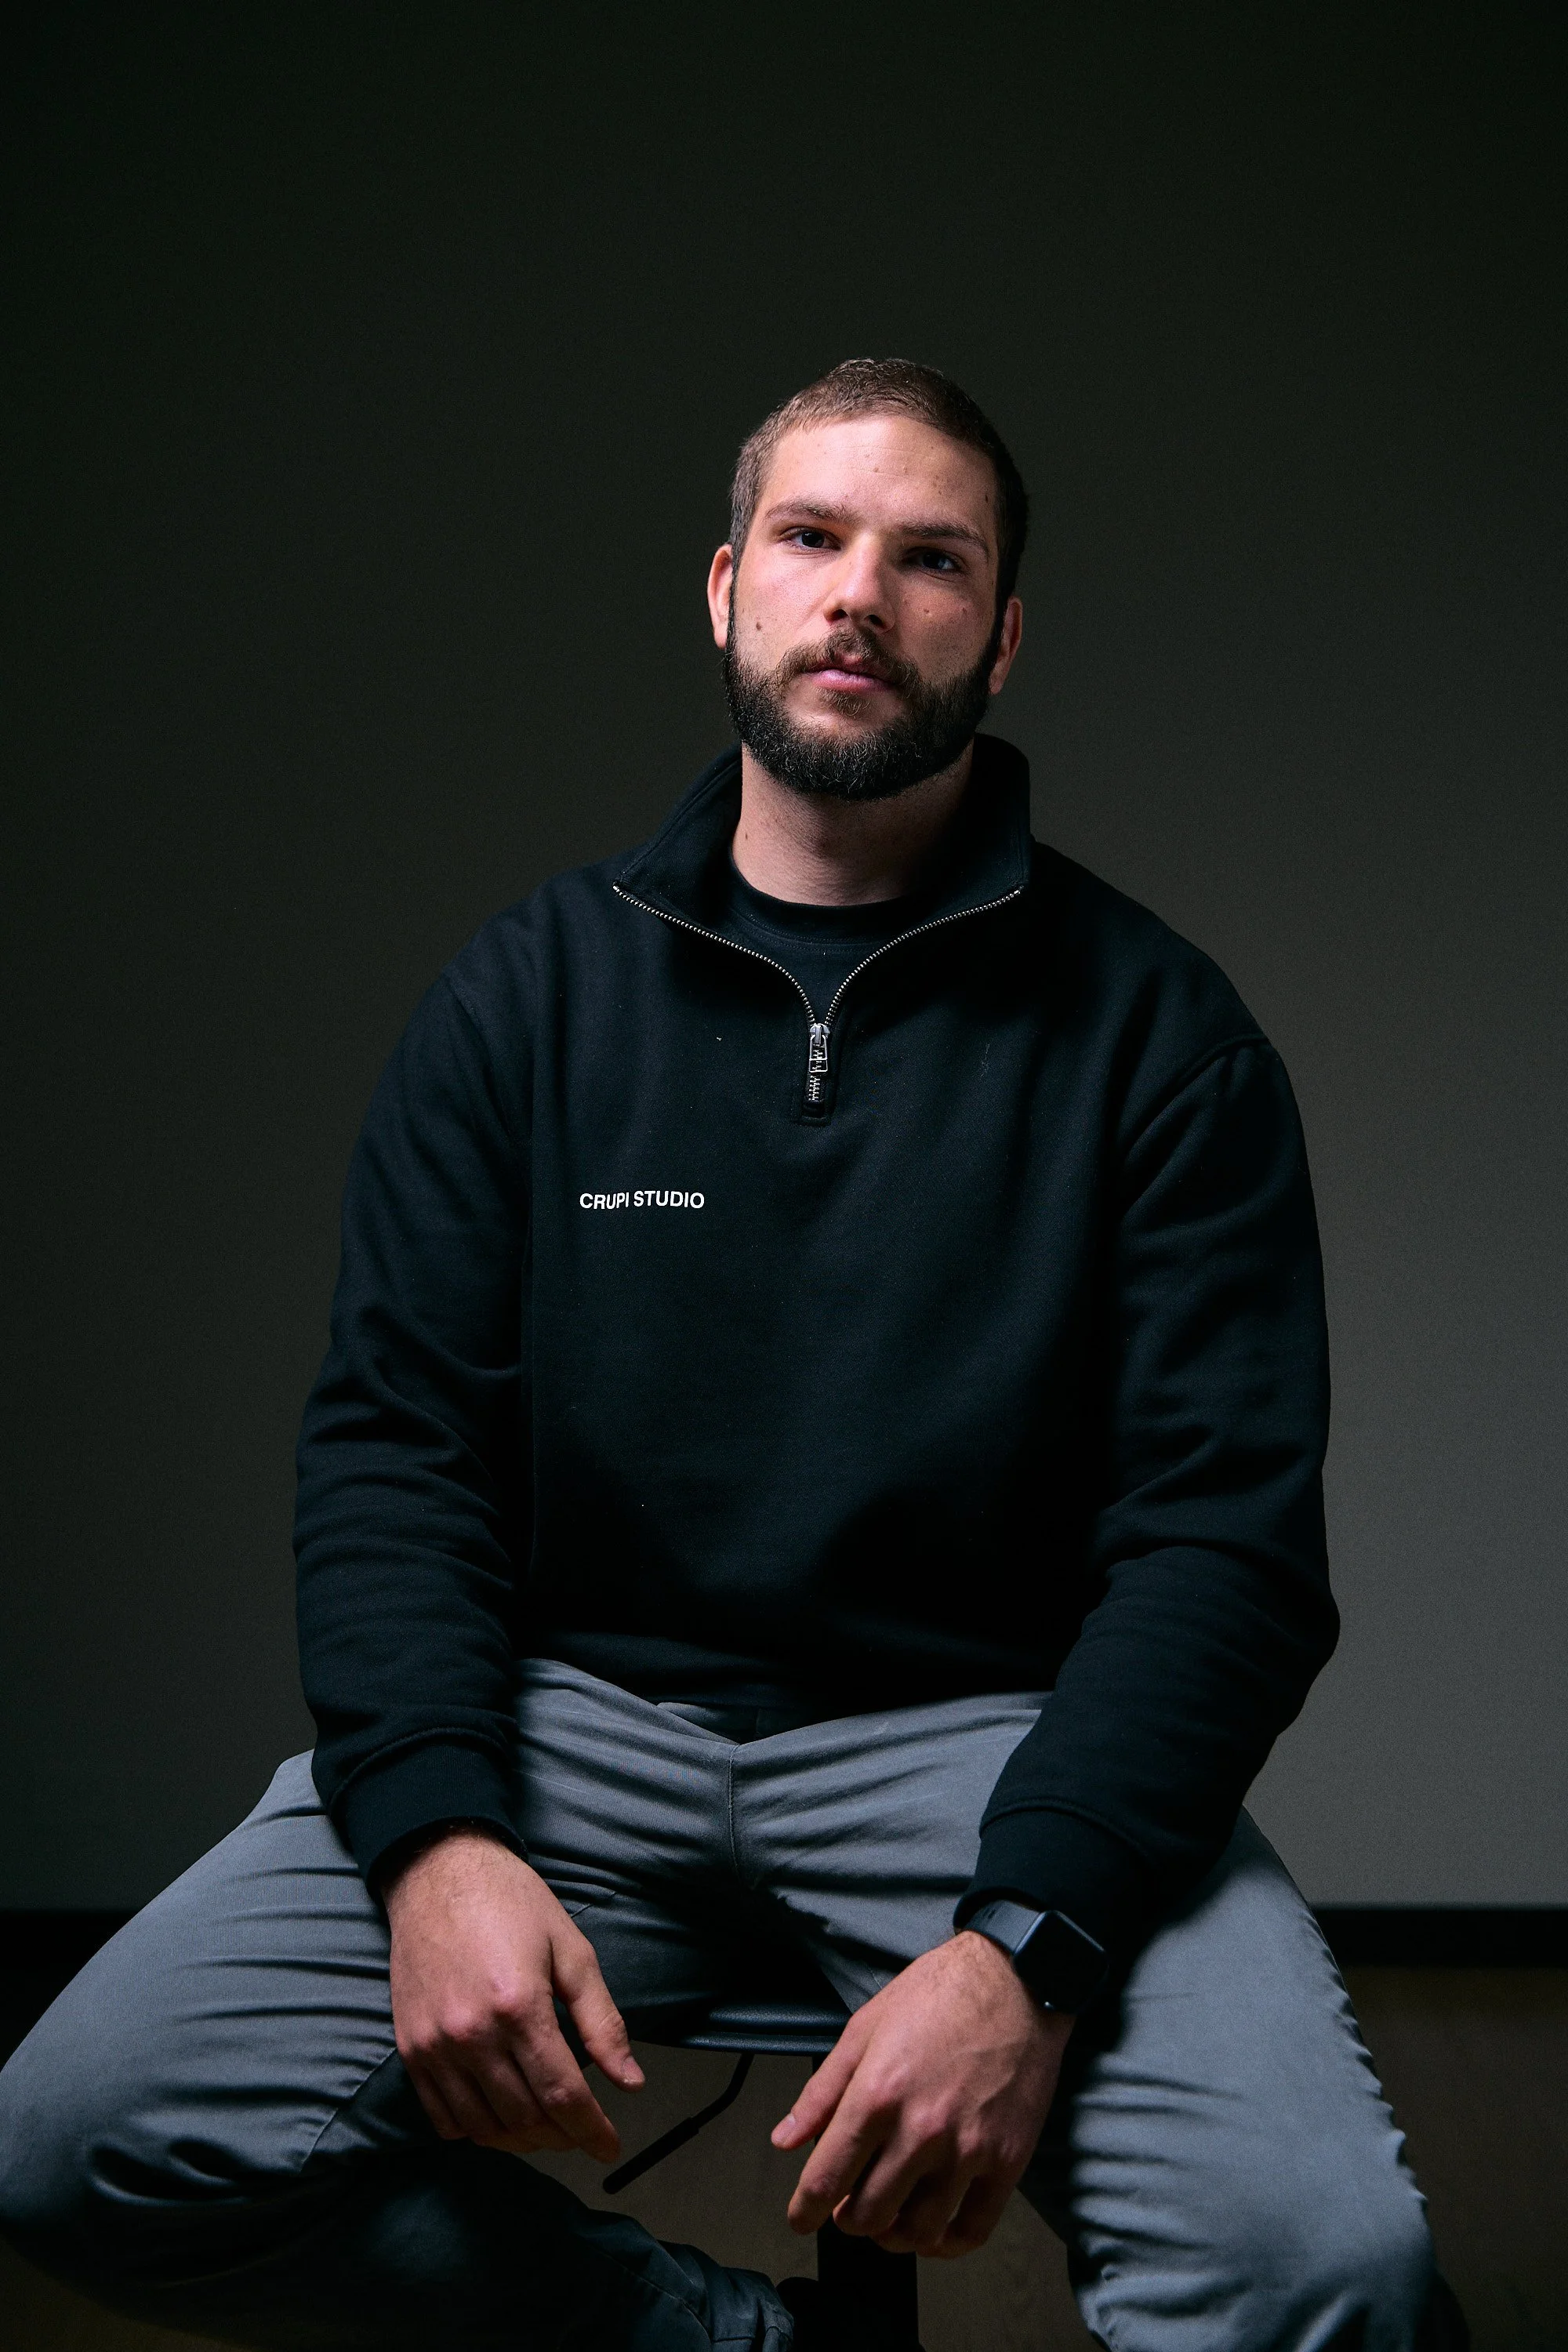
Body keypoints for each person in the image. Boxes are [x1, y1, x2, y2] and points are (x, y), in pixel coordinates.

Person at [0, 360, 1459, 2351]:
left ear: (1000, 637)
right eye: (810, 537)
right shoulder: (523, 1001)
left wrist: (1023, 1951)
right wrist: (432, 1837)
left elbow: (1224, 1549)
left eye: (929, 558)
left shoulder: (1159, 1040)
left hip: (988, 1742)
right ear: (725, 588)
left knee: (1322, 2272)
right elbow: (396, 1455)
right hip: (568, 1727)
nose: (859, 594)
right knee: (72, 2139)